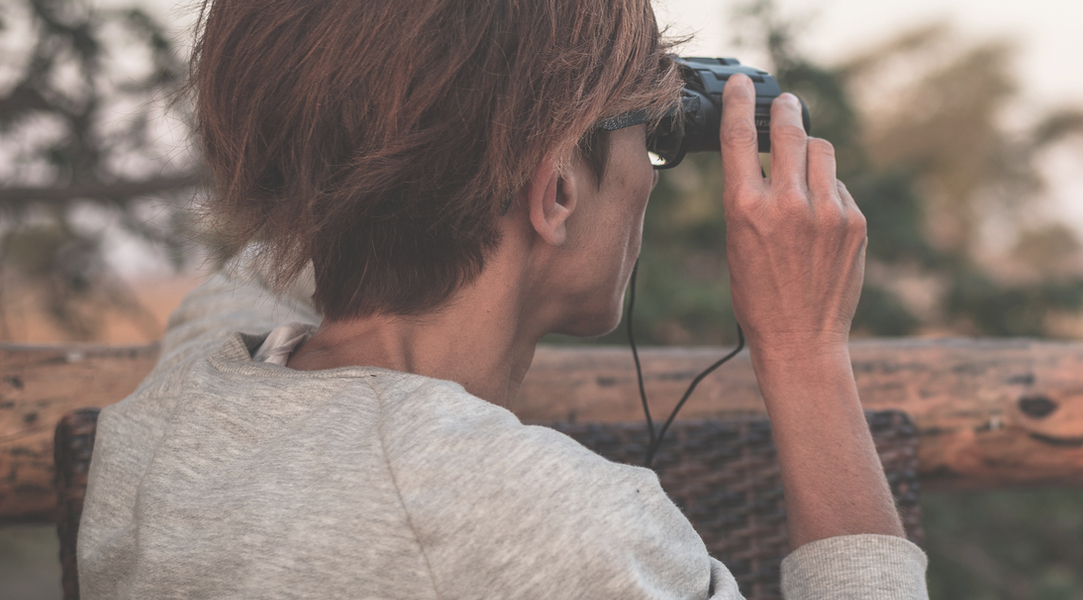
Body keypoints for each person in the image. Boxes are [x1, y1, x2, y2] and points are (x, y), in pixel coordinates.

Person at [74, 0, 928, 597]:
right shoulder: (548, 525)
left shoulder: (167, 419)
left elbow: (250, 275)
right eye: (652, 140)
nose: (647, 176)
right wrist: (806, 352)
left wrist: (386, 135)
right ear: (554, 187)